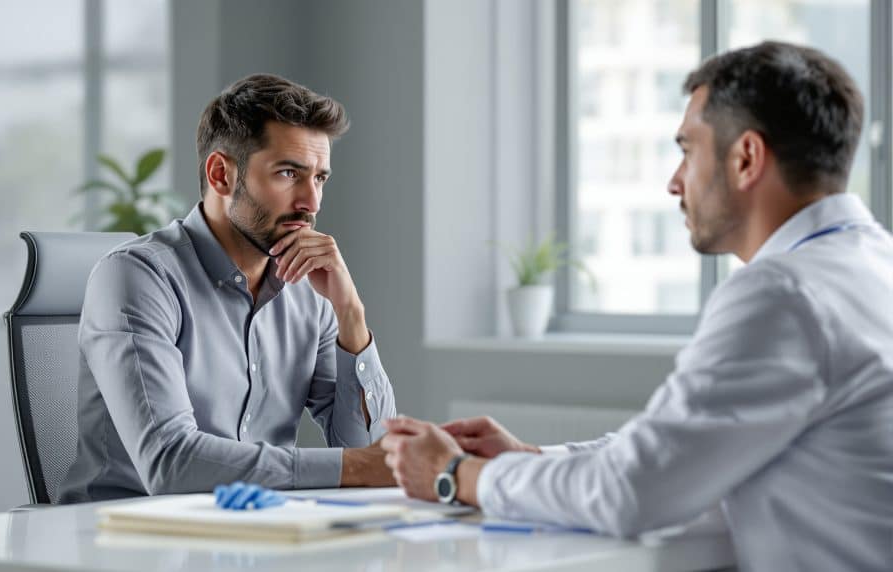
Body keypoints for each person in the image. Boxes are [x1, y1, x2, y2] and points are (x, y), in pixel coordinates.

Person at [381, 41, 893, 571]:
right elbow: (678, 455)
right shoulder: (872, 268)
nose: (675, 182)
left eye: (687, 150)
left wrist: (455, 476)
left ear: (746, 158)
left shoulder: (782, 294)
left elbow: (632, 492)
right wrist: (534, 460)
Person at [58, 74, 397, 503]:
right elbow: (171, 462)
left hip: (251, 534)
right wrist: (358, 468)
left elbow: (370, 451)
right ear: (221, 174)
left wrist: (351, 314)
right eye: (289, 173)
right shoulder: (137, 278)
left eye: (320, 179)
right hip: (120, 539)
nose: (311, 203)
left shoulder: (312, 293)